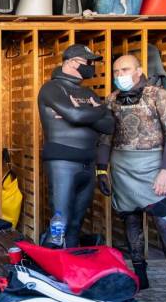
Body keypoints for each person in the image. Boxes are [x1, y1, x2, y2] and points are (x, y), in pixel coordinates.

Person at [97, 55, 166, 302]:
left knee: (165, 224)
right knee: (131, 221)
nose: (120, 74)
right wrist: (101, 170)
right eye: (117, 70)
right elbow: (106, 138)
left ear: (139, 70)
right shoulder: (111, 100)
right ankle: (140, 275)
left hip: (153, 166)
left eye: (126, 69)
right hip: (122, 166)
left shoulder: (158, 95)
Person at [37, 44, 115, 248]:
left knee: (75, 225)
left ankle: (71, 273)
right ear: (71, 62)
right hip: (62, 162)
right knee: (59, 224)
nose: (91, 67)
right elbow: (76, 115)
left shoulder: (88, 92)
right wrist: (97, 109)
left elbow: (109, 125)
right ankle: (48, 273)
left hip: (87, 164)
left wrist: (90, 111)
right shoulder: (52, 89)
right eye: (88, 62)